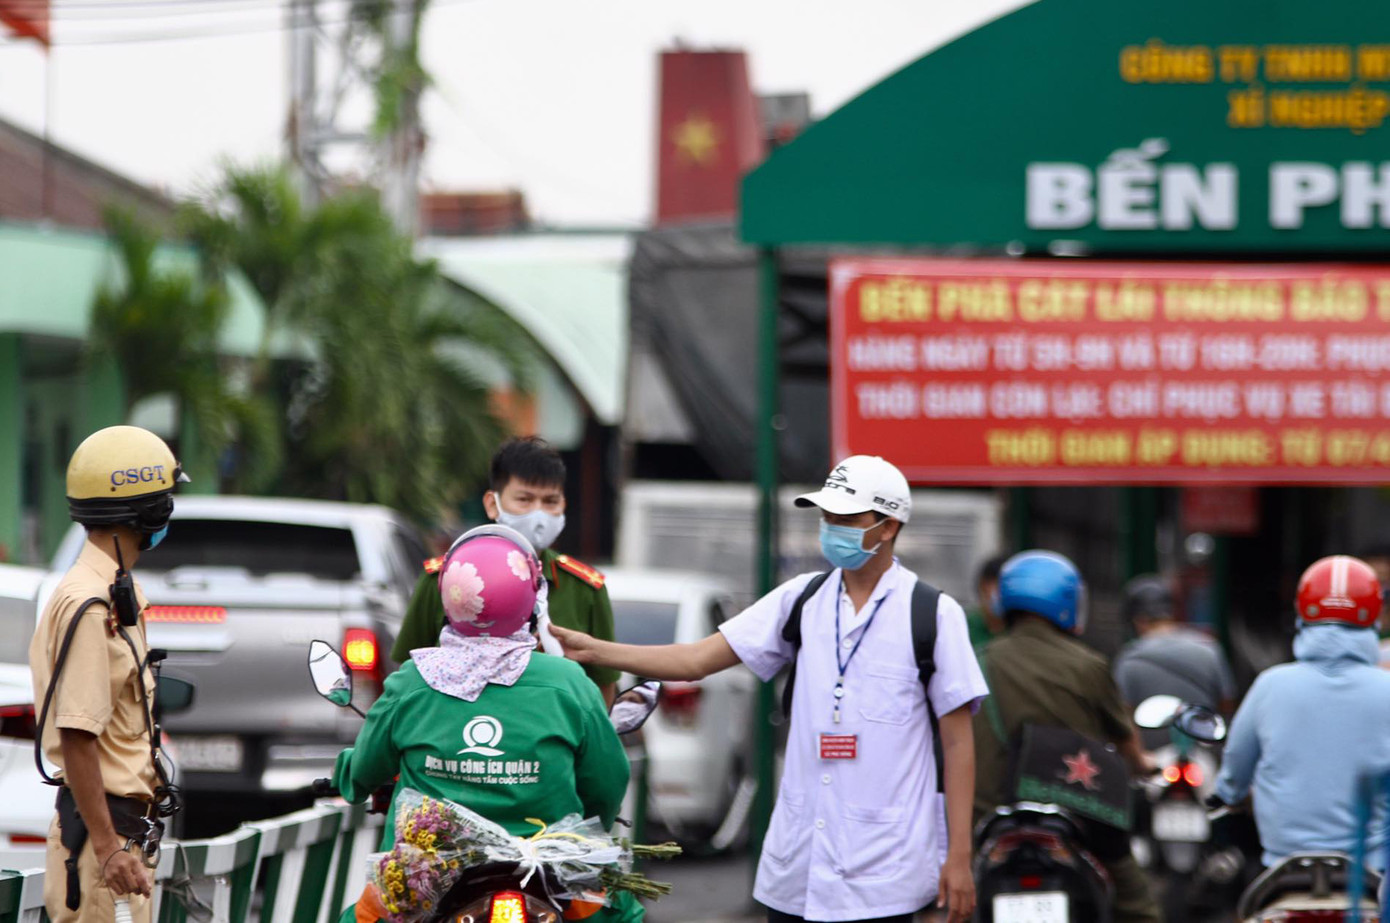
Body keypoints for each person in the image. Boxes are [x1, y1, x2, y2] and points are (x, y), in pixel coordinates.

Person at [551, 455, 988, 923]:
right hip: (798, 870)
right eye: (827, 517)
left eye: (847, 518)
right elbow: (696, 659)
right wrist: (596, 651)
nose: (831, 528)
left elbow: (959, 742)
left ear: (887, 527)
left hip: (886, 874)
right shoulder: (801, 599)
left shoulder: (934, 615)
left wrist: (958, 857)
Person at [333, 525, 640, 922]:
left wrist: (348, 775)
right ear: (533, 602)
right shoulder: (568, 683)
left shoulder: (411, 682)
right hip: (548, 879)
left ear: (447, 598)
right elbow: (608, 783)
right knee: (623, 913)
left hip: (428, 880)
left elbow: (363, 772)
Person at [29, 425, 189, 923]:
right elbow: (78, 734)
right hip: (107, 853)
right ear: (148, 510)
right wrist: (108, 848)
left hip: (120, 845)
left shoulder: (113, 593)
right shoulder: (91, 605)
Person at [973, 551, 1160, 923]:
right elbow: (1125, 742)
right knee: (1138, 904)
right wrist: (1143, 765)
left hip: (988, 820)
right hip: (1077, 814)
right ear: (1069, 602)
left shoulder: (976, 661)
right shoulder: (1089, 665)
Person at [390, 437, 620, 705]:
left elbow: (603, 687)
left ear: (564, 505)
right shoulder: (446, 578)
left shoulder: (586, 589)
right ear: (492, 504)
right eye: (524, 499)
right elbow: (408, 673)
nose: (538, 514)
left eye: (550, 501)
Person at [1212, 555, 1390, 869]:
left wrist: (1229, 792)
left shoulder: (1269, 685)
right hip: (1371, 875)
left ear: (1300, 614)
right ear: (1374, 616)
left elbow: (1233, 777)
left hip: (1285, 870)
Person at [1112, 574, 1236, 749]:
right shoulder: (1209, 648)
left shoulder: (1128, 659)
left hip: (1153, 760)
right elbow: (1226, 705)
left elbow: (1123, 718)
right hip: (1203, 756)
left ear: (1138, 620)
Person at [966, 554, 1007, 650]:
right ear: (982, 586)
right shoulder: (965, 625)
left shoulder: (1019, 628)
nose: (1000, 594)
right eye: (996, 586)